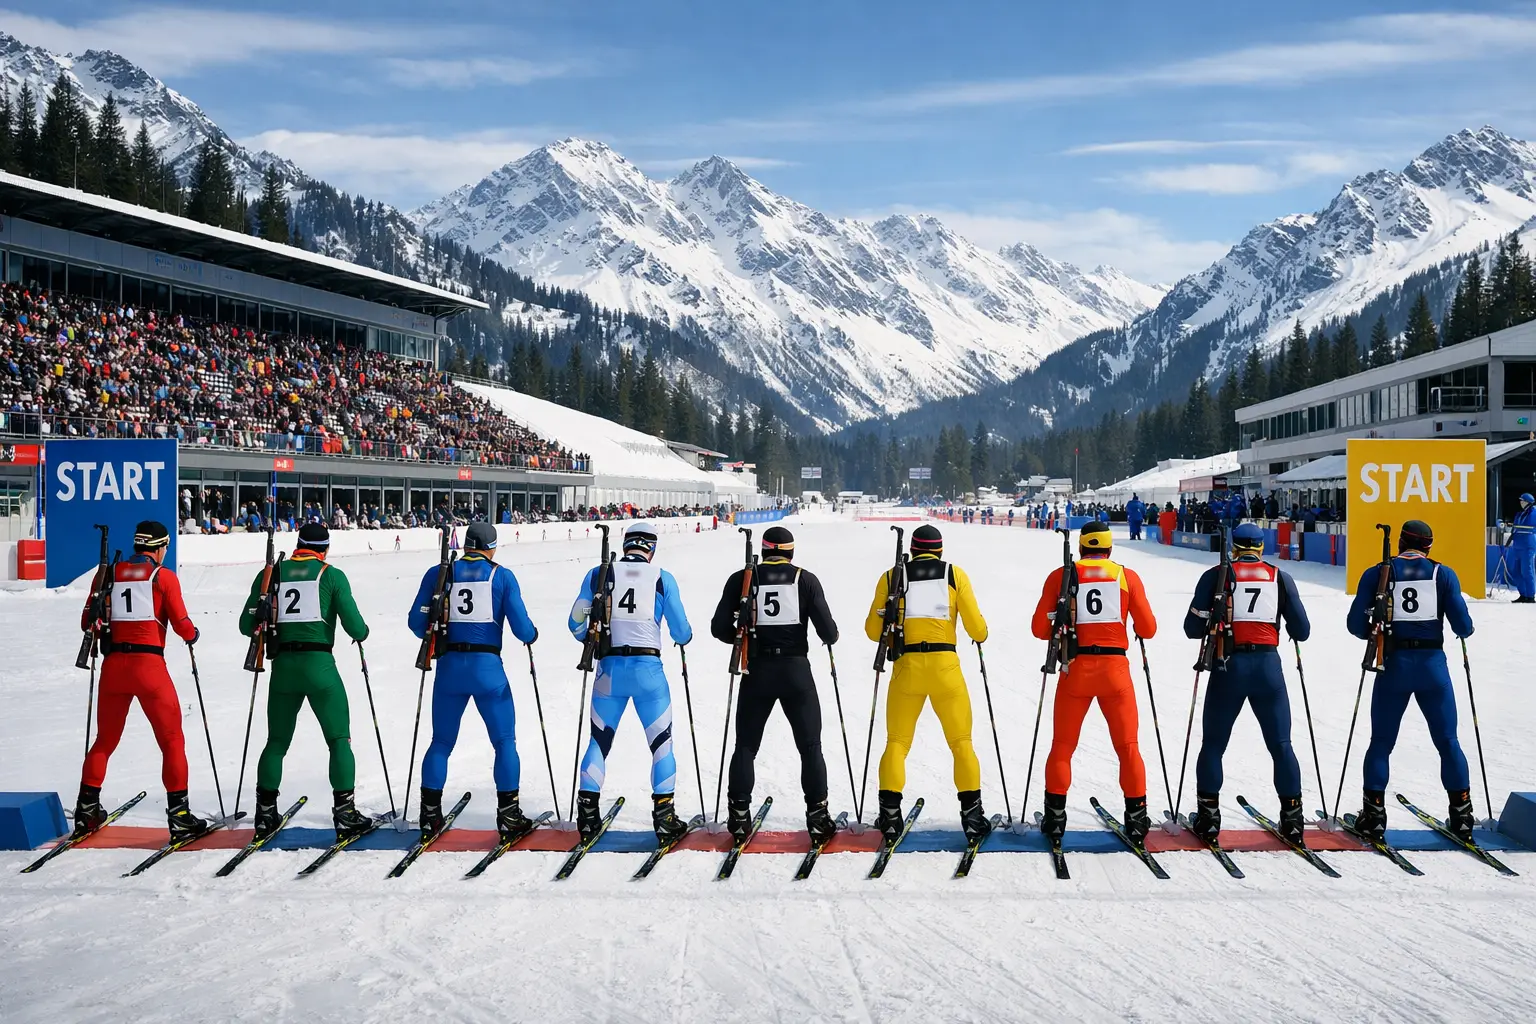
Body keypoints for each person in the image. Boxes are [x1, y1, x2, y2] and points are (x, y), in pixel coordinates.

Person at [72, 521, 207, 841]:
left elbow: (85, 621)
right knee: (172, 740)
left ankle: (86, 810)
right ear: (159, 547)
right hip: (149, 668)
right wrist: (195, 634)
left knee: (104, 741)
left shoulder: (110, 574)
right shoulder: (163, 577)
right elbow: (182, 626)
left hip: (114, 667)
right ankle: (180, 817)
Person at [238, 523, 373, 842]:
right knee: (339, 740)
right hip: (320, 667)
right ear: (324, 548)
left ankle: (265, 814)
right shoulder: (331, 574)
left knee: (276, 743)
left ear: (298, 544)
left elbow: (247, 624)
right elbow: (356, 627)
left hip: (283, 666)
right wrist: (363, 632)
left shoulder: (272, 574)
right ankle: (345, 814)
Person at [407, 522, 539, 841]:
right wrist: (532, 634)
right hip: (487, 669)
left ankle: (428, 815)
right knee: (504, 742)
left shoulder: (440, 573)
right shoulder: (501, 575)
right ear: (491, 547)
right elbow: (523, 630)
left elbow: (415, 622)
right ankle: (509, 814)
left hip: (450, 667)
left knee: (441, 742)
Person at [862, 524, 992, 845]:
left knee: (897, 743)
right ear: (940, 549)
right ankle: (973, 818)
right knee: (961, 743)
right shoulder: (954, 575)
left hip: (907, 667)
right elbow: (978, 630)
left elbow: (871, 629)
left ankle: (890, 818)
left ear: (914, 549)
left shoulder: (893, 576)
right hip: (945, 667)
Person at [1346, 520, 1476, 842]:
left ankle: (1373, 817)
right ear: (1429, 546)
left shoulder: (1378, 572)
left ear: (1401, 542)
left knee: (1381, 743)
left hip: (1394, 666)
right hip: (1433, 667)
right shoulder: (1442, 574)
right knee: (1448, 741)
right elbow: (1463, 625)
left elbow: (1354, 625)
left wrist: (1373, 628)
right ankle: (1462, 816)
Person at [1182, 523, 1311, 844]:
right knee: (1281, 745)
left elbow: (1191, 628)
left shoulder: (1216, 575)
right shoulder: (1280, 576)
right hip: (1268, 666)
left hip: (1229, 665)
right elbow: (1302, 630)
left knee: (1213, 744)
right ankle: (1293, 818)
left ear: (1234, 547)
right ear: (1260, 546)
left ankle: (1209, 819)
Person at [709, 526, 839, 844]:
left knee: (746, 747)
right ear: (791, 552)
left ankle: (739, 818)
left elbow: (718, 628)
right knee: (810, 747)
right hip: (796, 671)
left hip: (757, 670)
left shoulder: (743, 578)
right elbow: (829, 633)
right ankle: (818, 819)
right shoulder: (805, 579)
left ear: (765, 551)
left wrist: (741, 633)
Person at [1030, 521, 1158, 842]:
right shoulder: (1126, 576)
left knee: (1062, 746)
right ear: (1109, 549)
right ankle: (1137, 819)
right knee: (1128, 747)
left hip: (1075, 669)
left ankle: (1055, 819)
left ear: (1082, 547)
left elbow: (1038, 629)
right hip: (1116, 671)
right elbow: (1148, 628)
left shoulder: (1063, 576)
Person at [567, 522, 693, 844]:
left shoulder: (599, 574)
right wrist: (683, 636)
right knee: (661, 743)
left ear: (625, 546)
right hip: (648, 672)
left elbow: (575, 623)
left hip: (609, 671)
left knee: (598, 742)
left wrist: (589, 636)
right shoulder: (663, 578)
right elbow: (682, 632)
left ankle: (587, 815)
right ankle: (664, 817)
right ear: (651, 549)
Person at [1509, 493, 1535, 603]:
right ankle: (1523, 594)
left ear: (1528, 502)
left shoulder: (1534, 513)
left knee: (1527, 571)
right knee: (1516, 572)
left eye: (1523, 501)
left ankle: (1530, 596)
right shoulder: (1519, 514)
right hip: (1517, 546)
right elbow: (1515, 528)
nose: (1521, 503)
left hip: (1528, 546)